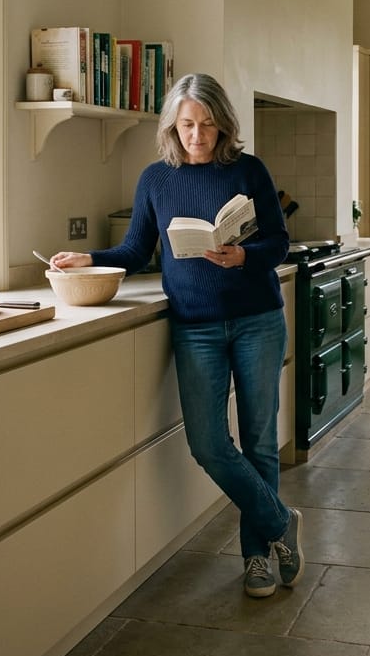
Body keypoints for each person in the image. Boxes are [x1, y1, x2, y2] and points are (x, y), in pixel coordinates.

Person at [51, 73, 303, 599]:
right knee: (209, 443)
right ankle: (282, 522)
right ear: (172, 126)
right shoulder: (156, 180)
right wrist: (89, 258)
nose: (198, 135)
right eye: (187, 125)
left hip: (257, 317)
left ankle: (256, 557)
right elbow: (136, 251)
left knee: (258, 439)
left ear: (222, 123)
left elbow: (279, 243)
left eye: (207, 124)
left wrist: (243, 255)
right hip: (196, 327)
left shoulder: (249, 171)